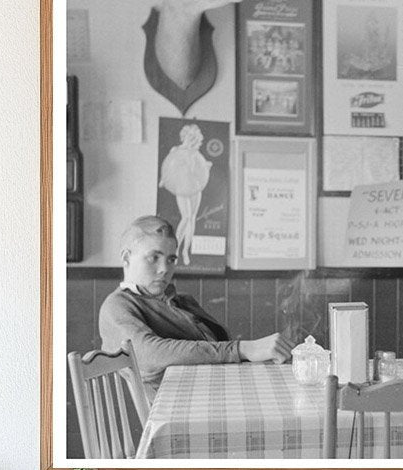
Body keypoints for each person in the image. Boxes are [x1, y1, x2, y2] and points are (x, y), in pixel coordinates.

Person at [99, 216, 292, 396]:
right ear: (126, 258)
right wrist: (242, 349)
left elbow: (218, 344)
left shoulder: (181, 301)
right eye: (153, 258)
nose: (165, 269)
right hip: (179, 413)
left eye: (171, 259)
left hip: (217, 393)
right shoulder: (117, 306)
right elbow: (147, 354)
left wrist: (255, 355)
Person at [159, 123, 211, 266]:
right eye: (189, 137)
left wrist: (206, 166)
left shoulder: (195, 152)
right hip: (182, 186)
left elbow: (199, 168)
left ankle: (185, 251)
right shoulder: (176, 150)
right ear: (184, 136)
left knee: (192, 218)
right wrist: (164, 180)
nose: (191, 140)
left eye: (193, 138)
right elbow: (169, 167)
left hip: (195, 186)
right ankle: (175, 250)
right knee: (186, 217)